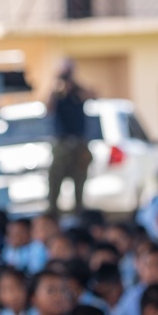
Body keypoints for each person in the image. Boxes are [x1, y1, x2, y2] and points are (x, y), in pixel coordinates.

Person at [45, 61, 93, 216]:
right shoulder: (58, 97)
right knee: (55, 179)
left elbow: (92, 96)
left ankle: (79, 212)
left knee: (79, 180)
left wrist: (75, 83)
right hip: (62, 143)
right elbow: (48, 107)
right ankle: (53, 212)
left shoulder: (78, 95)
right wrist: (56, 82)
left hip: (79, 142)